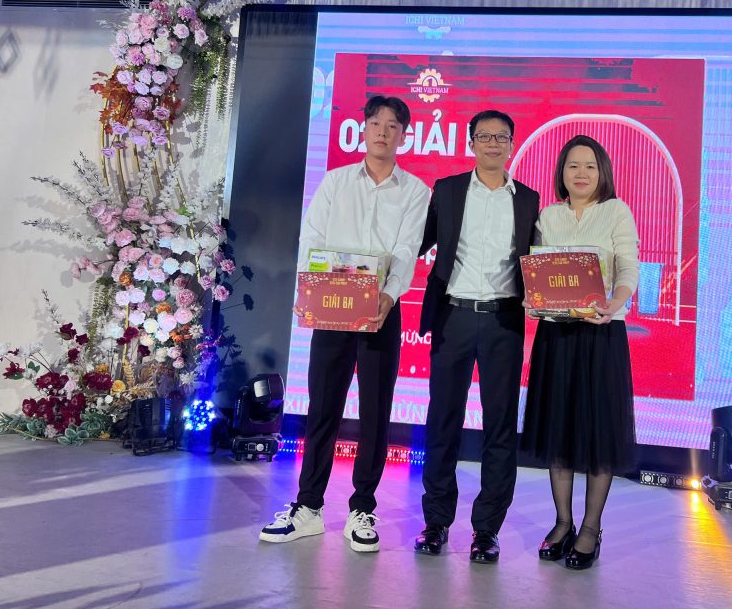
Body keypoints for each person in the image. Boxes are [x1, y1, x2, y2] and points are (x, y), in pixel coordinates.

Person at [259, 95, 430, 553]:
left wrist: (388, 296)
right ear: (364, 129)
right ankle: (308, 507)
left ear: (403, 135)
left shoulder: (416, 191)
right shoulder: (335, 182)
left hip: (382, 312)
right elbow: (312, 238)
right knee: (322, 408)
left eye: (392, 126)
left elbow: (407, 250)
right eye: (375, 123)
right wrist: (308, 290)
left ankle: (363, 509)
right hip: (332, 309)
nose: (382, 132)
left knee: (375, 413)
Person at [413, 110, 540, 564]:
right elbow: (415, 241)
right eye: (484, 136)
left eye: (501, 137)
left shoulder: (528, 200)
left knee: (499, 425)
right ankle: (436, 521)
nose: (492, 143)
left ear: (511, 144)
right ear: (470, 143)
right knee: (442, 420)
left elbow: (539, 258)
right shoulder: (447, 191)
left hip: (504, 321)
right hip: (454, 316)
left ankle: (486, 529)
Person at [519, 134, 639, 571]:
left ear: (602, 171)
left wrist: (614, 302)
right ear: (562, 173)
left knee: (598, 432)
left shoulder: (616, 211)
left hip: (601, 336)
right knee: (560, 429)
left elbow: (628, 269)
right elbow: (538, 271)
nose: (581, 173)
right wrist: (532, 297)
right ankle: (562, 522)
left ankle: (590, 528)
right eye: (573, 165)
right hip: (556, 336)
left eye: (589, 165)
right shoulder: (548, 216)